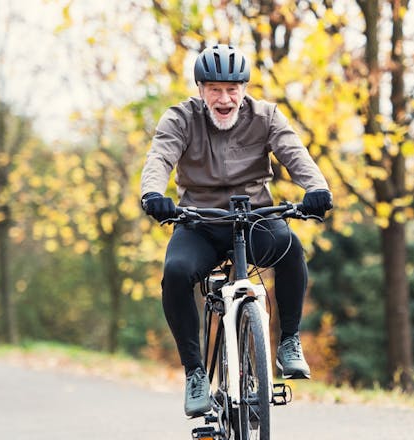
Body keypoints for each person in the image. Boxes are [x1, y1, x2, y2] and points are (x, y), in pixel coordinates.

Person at [139, 44, 333, 418]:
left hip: (254, 218)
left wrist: (317, 188)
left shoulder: (266, 116)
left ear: (244, 88)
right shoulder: (180, 118)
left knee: (290, 248)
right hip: (199, 222)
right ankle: (195, 373)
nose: (224, 98)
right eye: (214, 89)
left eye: (232, 89)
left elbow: (294, 153)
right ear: (200, 90)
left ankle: (289, 341)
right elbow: (160, 156)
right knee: (176, 273)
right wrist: (152, 194)